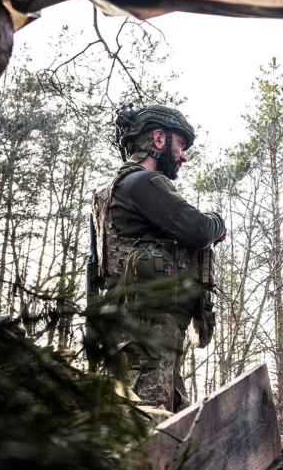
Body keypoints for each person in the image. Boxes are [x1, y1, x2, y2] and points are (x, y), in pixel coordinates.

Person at [90, 104, 225, 413]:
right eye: (181, 145)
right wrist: (219, 223)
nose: (184, 156)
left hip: (141, 336)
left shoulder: (111, 192)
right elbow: (198, 229)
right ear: (160, 139)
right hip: (146, 339)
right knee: (150, 436)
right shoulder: (143, 182)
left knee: (167, 425)